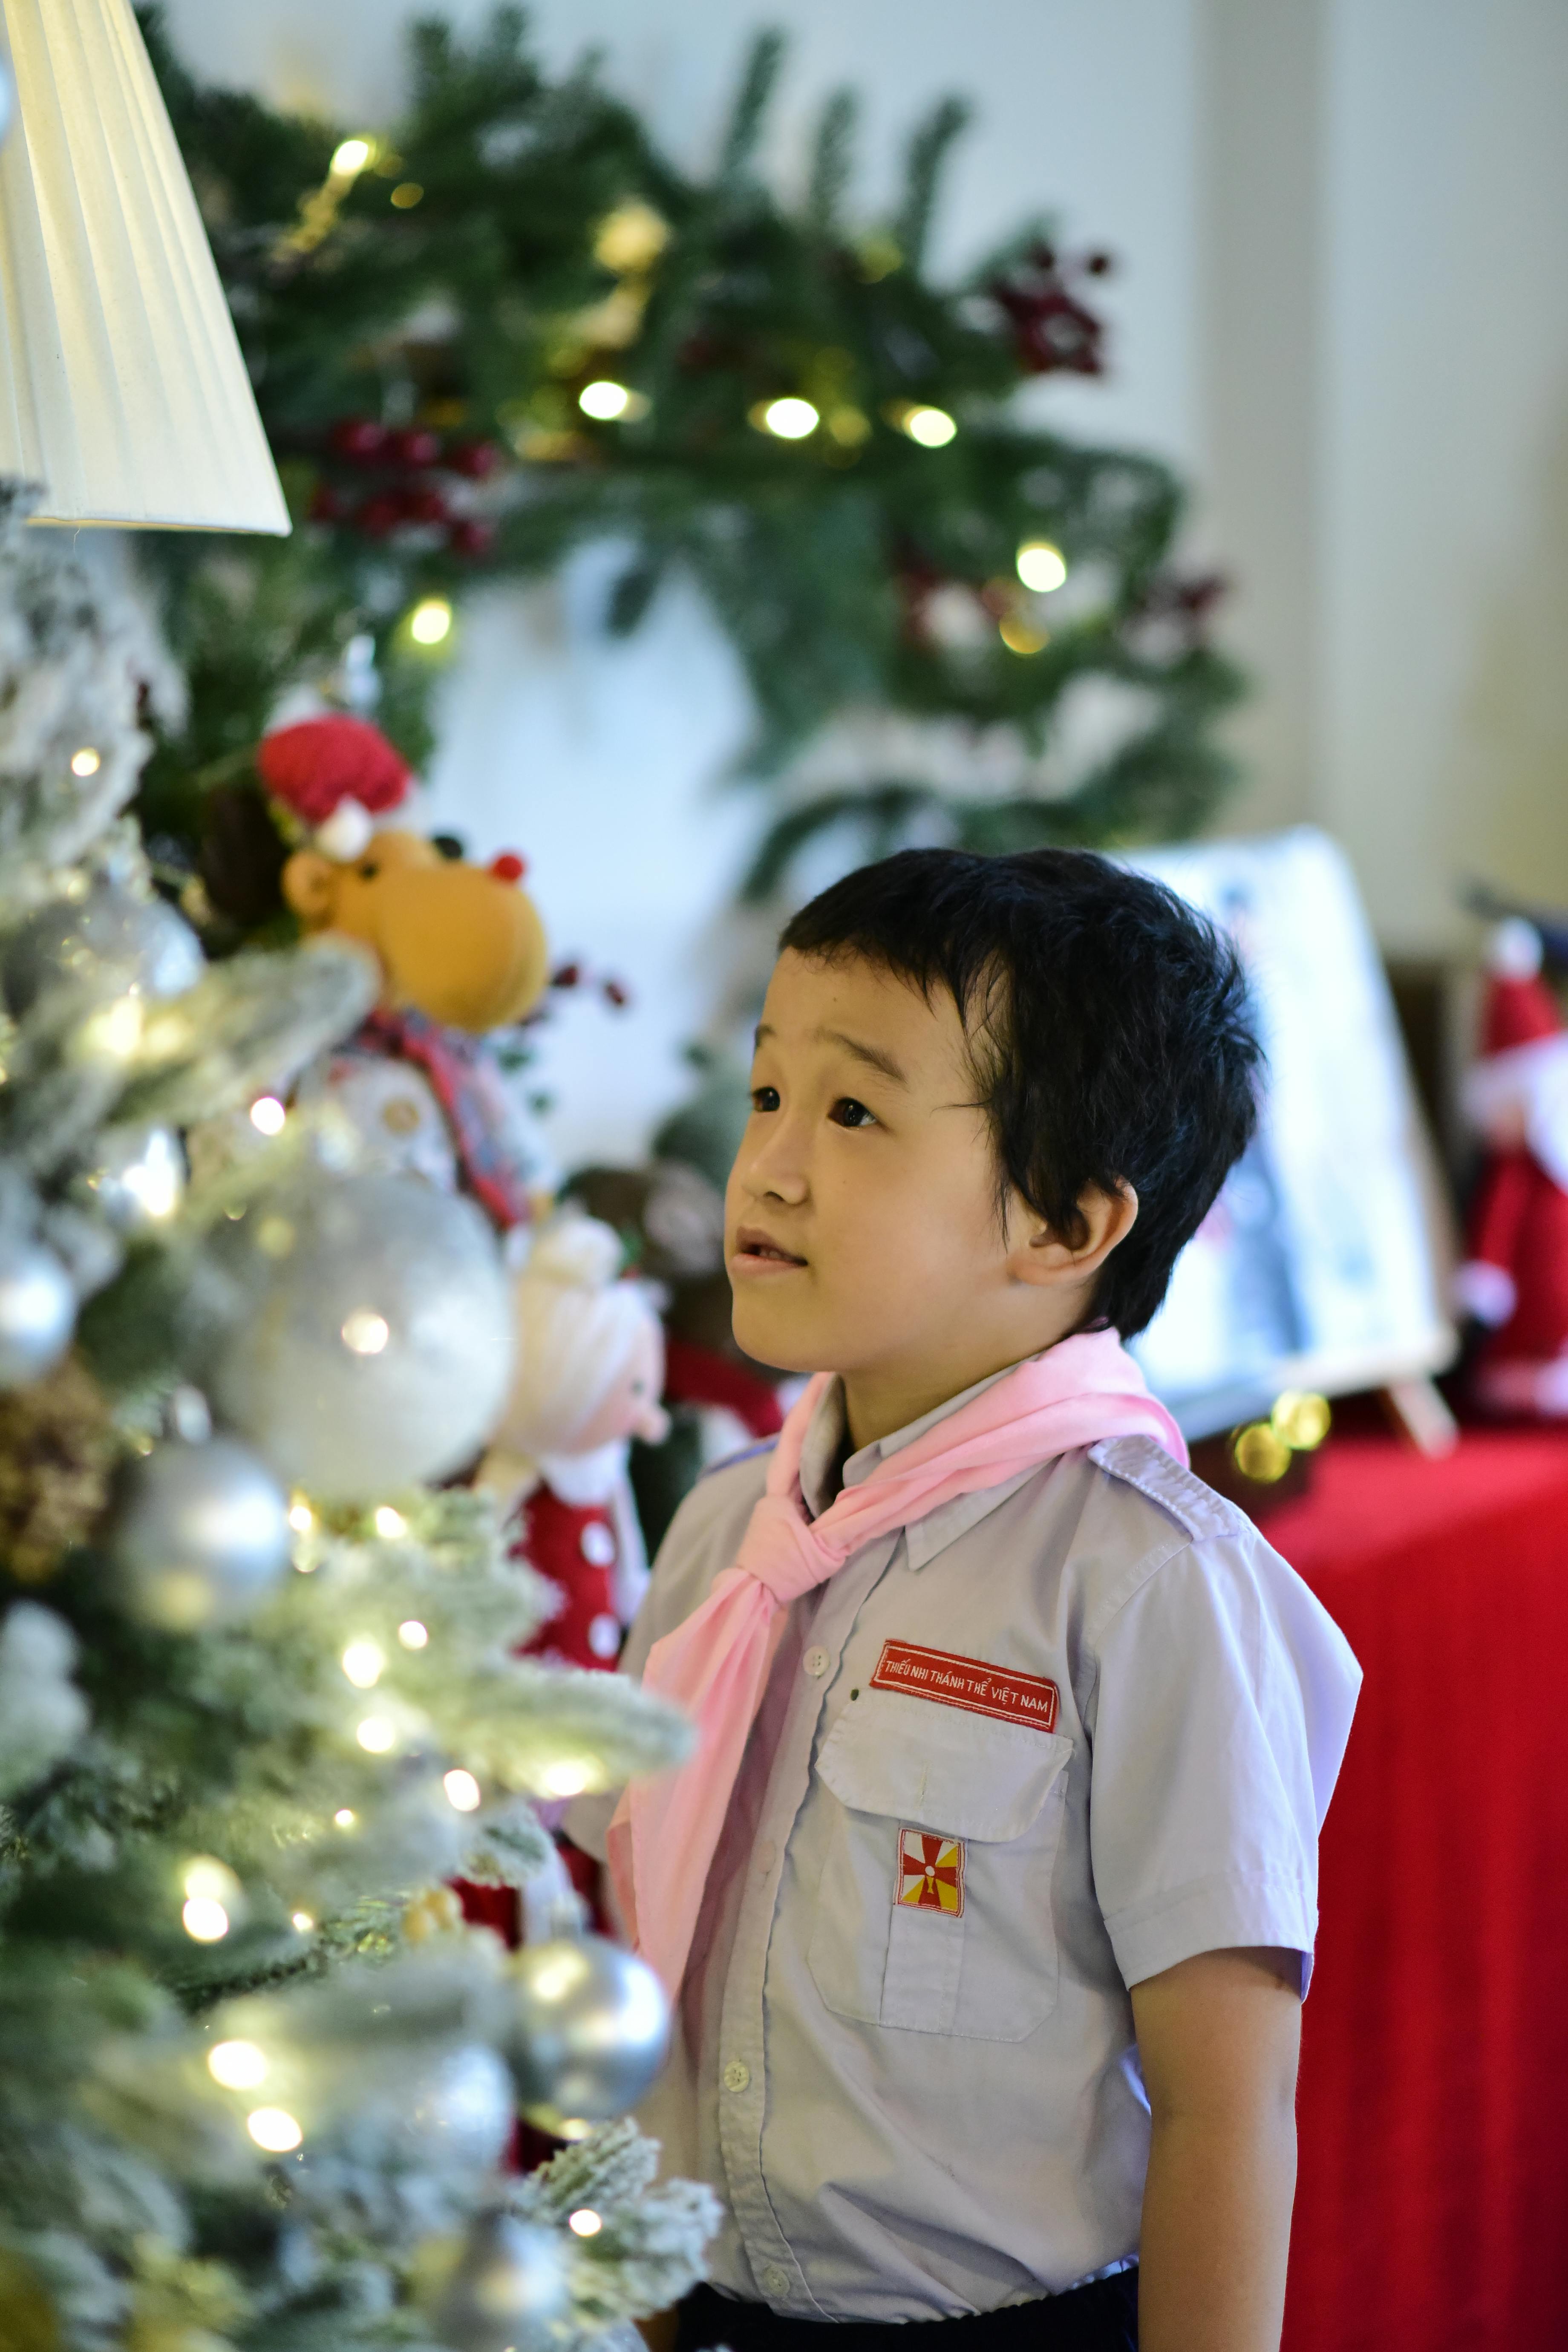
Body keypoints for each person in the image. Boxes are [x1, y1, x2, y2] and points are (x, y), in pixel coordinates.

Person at [566, 848, 1361, 2352]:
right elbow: (633, 1961)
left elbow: (1226, 2106)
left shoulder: (1146, 1585)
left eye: (855, 1110)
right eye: (766, 1095)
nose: (774, 1165)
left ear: (1064, 1226)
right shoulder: (732, 1530)